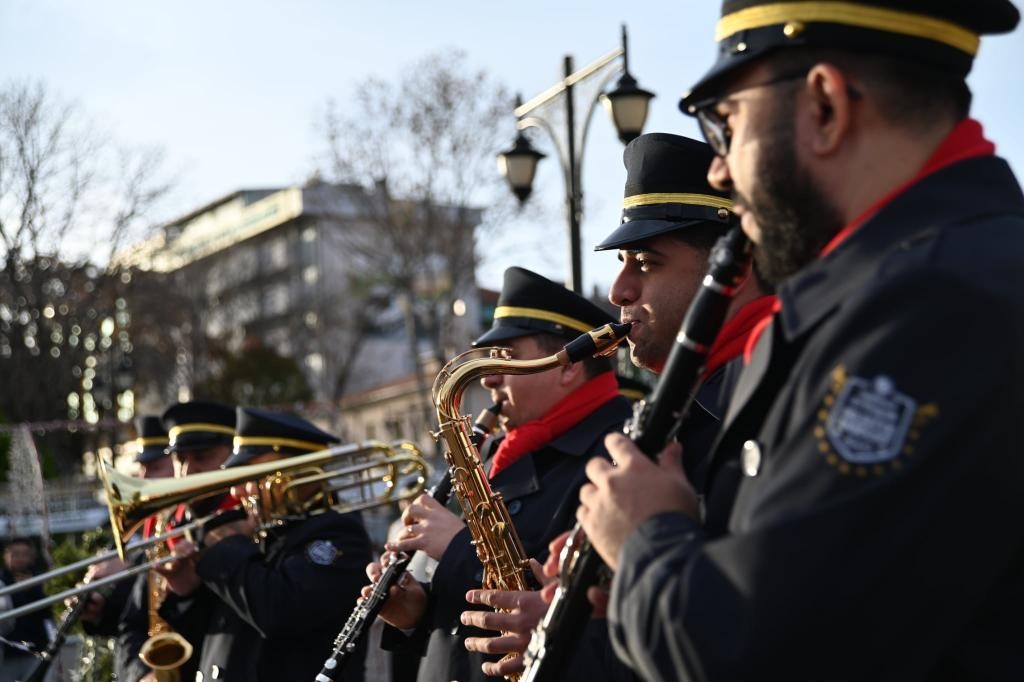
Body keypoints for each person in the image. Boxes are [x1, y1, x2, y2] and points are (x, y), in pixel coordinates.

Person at [579, 1, 1024, 680]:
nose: (720, 171)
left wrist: (646, 540)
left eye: (726, 124)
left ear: (824, 106)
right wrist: (653, 580)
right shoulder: (924, 279)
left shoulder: (933, 300)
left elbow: (761, 650)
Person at [460, 134, 775, 678]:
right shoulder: (689, 406)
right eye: (623, 262)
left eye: (645, 263)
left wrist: (585, 633)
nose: (618, 291)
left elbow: (767, 637)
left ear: (734, 267)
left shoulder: (770, 400)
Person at [370, 267, 634, 682]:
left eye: (506, 357)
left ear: (567, 366)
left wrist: (458, 548)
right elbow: (476, 611)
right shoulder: (500, 451)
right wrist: (417, 611)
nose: (489, 378)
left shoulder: (623, 450)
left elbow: (580, 612)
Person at [158, 406, 372, 682]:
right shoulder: (264, 529)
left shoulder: (340, 533)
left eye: (249, 477)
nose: (237, 491)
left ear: (294, 471)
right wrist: (186, 591)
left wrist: (224, 545)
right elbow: (214, 634)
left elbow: (279, 612)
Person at [115, 400, 237, 682]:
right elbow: (132, 624)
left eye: (202, 457)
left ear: (234, 455)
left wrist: (188, 594)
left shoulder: (248, 527)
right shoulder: (167, 525)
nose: (188, 472)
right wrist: (141, 674)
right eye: (180, 459)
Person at [79, 415, 175, 637]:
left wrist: (128, 568)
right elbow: (135, 614)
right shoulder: (149, 521)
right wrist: (99, 611)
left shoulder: (181, 519)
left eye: (155, 467)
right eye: (142, 468)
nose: (144, 477)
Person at [0, 537, 52, 681]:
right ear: (6, 556)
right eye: (15, 554)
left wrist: (33, 590)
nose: (20, 559)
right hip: (6, 654)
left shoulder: (41, 581)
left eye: (24, 554)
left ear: (32, 557)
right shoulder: (2, 582)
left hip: (36, 650)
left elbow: (48, 613)